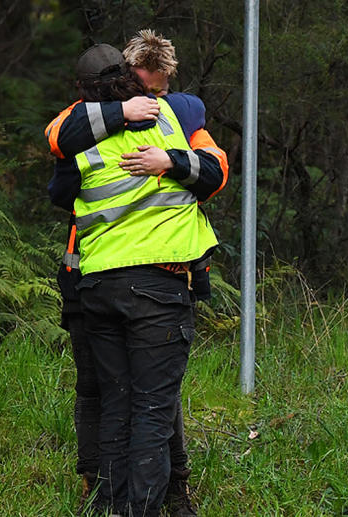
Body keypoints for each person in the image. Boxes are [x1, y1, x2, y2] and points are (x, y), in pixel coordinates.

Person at [46, 41, 223, 516]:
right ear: (133, 75)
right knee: (151, 407)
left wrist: (169, 162)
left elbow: (61, 185)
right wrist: (167, 154)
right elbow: (215, 172)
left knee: (116, 403)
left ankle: (110, 502)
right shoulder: (171, 117)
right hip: (155, 285)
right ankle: (142, 506)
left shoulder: (80, 140)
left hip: (98, 283)